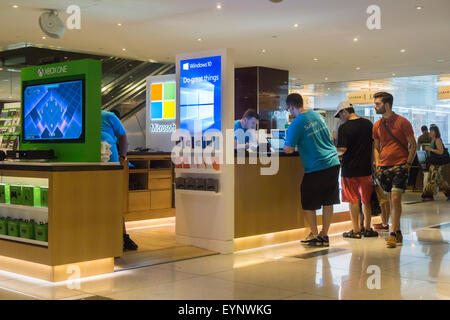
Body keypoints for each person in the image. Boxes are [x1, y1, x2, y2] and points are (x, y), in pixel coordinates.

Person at [284, 93, 340, 246]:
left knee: (309, 200)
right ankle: (324, 234)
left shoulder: (296, 123)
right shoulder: (317, 116)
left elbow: (288, 149)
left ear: (291, 107)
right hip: (333, 162)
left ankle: (314, 233)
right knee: (329, 200)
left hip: (316, 166)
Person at [372, 92, 417, 248]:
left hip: (400, 165)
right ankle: (397, 231)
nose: (375, 106)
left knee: (396, 198)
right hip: (384, 167)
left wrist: (408, 164)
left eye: (377, 104)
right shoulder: (377, 125)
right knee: (391, 200)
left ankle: (392, 233)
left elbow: (413, 145)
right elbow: (376, 147)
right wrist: (378, 163)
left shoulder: (403, 122)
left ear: (387, 105)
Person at [335, 101, 379, 239]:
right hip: (366, 169)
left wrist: (332, 152)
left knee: (353, 200)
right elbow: (374, 145)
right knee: (366, 200)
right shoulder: (368, 124)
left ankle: (356, 230)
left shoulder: (344, 127)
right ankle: (367, 228)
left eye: (339, 115)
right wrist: (373, 162)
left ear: (345, 112)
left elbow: (342, 150)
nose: (340, 118)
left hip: (350, 170)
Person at [101, 110, 138, 251]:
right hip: (94, 165)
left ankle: (122, 237)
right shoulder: (84, 117)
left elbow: (123, 137)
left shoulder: (109, 116)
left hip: (111, 165)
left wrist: (122, 157)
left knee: (114, 201)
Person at [421, 125, 450, 201]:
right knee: (439, 180)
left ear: (435, 132)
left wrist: (431, 149)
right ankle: (448, 193)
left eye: (431, 131)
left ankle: (427, 195)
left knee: (432, 179)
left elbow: (441, 152)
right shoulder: (432, 140)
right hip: (433, 163)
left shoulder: (438, 140)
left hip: (437, 163)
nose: (429, 132)